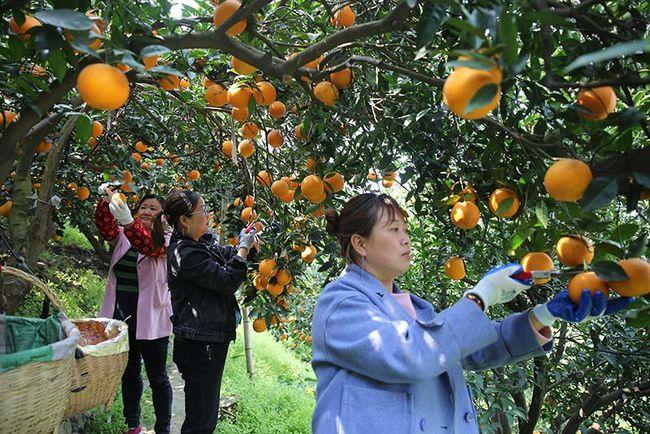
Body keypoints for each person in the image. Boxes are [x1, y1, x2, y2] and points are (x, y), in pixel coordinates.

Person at [311, 193, 633, 434]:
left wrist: (546, 314)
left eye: (405, 229)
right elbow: (412, 355)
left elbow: (473, 351)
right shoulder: (341, 302)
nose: (405, 237)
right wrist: (481, 296)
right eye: (393, 229)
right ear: (360, 244)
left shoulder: (414, 307)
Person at [151, 189, 257, 434]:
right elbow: (227, 279)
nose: (207, 215)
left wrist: (247, 245)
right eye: (203, 211)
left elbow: (227, 255)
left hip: (207, 342)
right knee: (201, 421)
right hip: (200, 345)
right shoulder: (185, 253)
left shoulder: (200, 244)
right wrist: (242, 249)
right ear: (184, 220)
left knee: (204, 415)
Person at [95, 184, 173, 434]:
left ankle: (163, 428)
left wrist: (129, 221)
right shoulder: (123, 235)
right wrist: (106, 201)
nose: (147, 211)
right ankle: (132, 424)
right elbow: (106, 227)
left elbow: (147, 246)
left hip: (152, 318)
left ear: (163, 217)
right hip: (122, 314)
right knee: (129, 372)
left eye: (154, 209)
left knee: (158, 376)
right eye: (143, 207)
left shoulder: (167, 240)